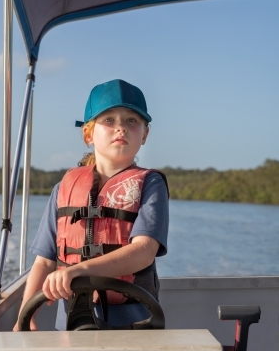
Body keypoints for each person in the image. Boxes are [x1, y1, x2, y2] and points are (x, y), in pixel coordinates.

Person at [13, 79, 169, 331]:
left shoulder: (151, 184)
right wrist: (24, 317)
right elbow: (44, 262)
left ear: (145, 134)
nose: (121, 128)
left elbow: (144, 250)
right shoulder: (63, 189)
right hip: (72, 321)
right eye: (109, 120)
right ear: (88, 133)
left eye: (132, 120)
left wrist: (79, 270)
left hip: (135, 323)